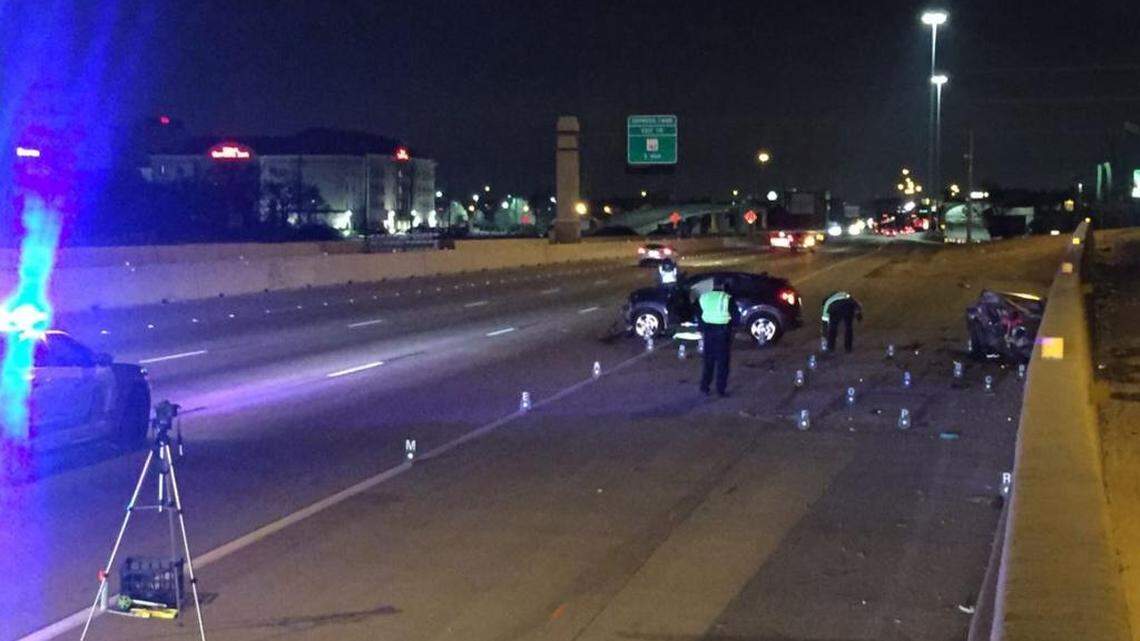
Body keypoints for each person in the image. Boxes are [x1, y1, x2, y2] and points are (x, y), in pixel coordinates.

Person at [698, 277, 739, 396]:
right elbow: (736, 316)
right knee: (722, 362)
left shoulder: (704, 297)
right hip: (722, 332)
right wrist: (733, 328)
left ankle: (705, 386)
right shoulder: (726, 298)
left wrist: (701, 329)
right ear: (723, 285)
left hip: (708, 331)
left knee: (708, 361)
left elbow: (700, 314)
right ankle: (720, 389)